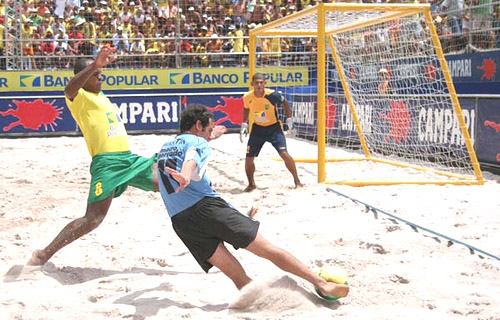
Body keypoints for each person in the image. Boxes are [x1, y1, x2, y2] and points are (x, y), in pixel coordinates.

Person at [27, 48, 226, 266]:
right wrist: (94, 64)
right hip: (108, 164)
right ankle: (44, 254)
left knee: (173, 179)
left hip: (128, 160)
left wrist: (205, 136)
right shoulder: (79, 97)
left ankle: (220, 223)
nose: (100, 76)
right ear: (83, 77)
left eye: (100, 73)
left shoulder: (100, 95)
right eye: (95, 74)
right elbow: (69, 89)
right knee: (93, 219)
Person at [157, 104, 349, 299]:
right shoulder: (198, 143)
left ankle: (266, 302)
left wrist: (210, 136)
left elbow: (181, 159)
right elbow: (191, 158)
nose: (208, 135)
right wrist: (186, 175)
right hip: (208, 210)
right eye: (207, 129)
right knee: (269, 251)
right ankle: (322, 284)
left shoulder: (165, 148)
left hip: (181, 222)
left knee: (238, 278)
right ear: (198, 126)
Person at [240, 73, 302, 192]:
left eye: (261, 82)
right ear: (252, 84)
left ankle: (297, 181)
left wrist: (289, 119)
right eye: (256, 83)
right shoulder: (247, 97)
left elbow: (285, 103)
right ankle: (251, 184)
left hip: (274, 128)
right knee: (248, 158)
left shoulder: (272, 95)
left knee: (284, 154)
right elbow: (246, 108)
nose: (259, 85)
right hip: (257, 129)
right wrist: (244, 123)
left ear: (265, 83)